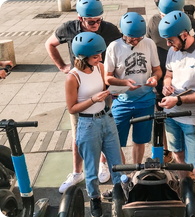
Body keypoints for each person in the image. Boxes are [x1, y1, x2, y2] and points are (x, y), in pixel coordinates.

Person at [45, 0, 122, 192]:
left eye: (98, 20)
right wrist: (62, 66)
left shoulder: (109, 31)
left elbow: (121, 47)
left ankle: (102, 163)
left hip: (101, 94)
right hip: (80, 91)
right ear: (80, 19)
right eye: (91, 22)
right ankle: (77, 172)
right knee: (79, 136)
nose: (96, 25)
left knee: (107, 136)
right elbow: (50, 44)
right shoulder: (68, 28)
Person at [158, 11, 195, 217]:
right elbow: (168, 75)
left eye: (170, 40)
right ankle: (186, 197)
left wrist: (179, 99)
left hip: (192, 118)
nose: (168, 44)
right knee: (178, 157)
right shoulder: (174, 51)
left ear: (184, 34)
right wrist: (167, 87)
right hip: (171, 115)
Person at [66, 32, 122, 217]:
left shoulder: (99, 67)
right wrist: (92, 99)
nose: (100, 58)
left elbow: (105, 89)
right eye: (96, 56)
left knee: (117, 163)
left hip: (107, 118)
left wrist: (113, 92)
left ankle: (119, 194)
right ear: (83, 57)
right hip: (88, 124)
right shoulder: (73, 77)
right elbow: (72, 108)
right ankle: (95, 199)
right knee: (91, 169)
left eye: (100, 55)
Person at [146, 0, 195, 163]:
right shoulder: (153, 22)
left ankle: (191, 161)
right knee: (163, 118)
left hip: (186, 84)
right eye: (163, 16)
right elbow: (148, 47)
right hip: (163, 77)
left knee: (188, 126)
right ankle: (167, 151)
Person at [104, 12, 162, 164]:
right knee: (114, 141)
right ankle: (123, 171)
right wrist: (124, 83)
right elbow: (107, 77)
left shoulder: (149, 43)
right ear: (123, 32)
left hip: (145, 101)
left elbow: (157, 70)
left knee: (140, 140)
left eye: (139, 37)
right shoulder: (114, 47)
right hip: (122, 101)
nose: (136, 41)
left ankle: (136, 170)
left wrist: (154, 78)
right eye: (132, 38)